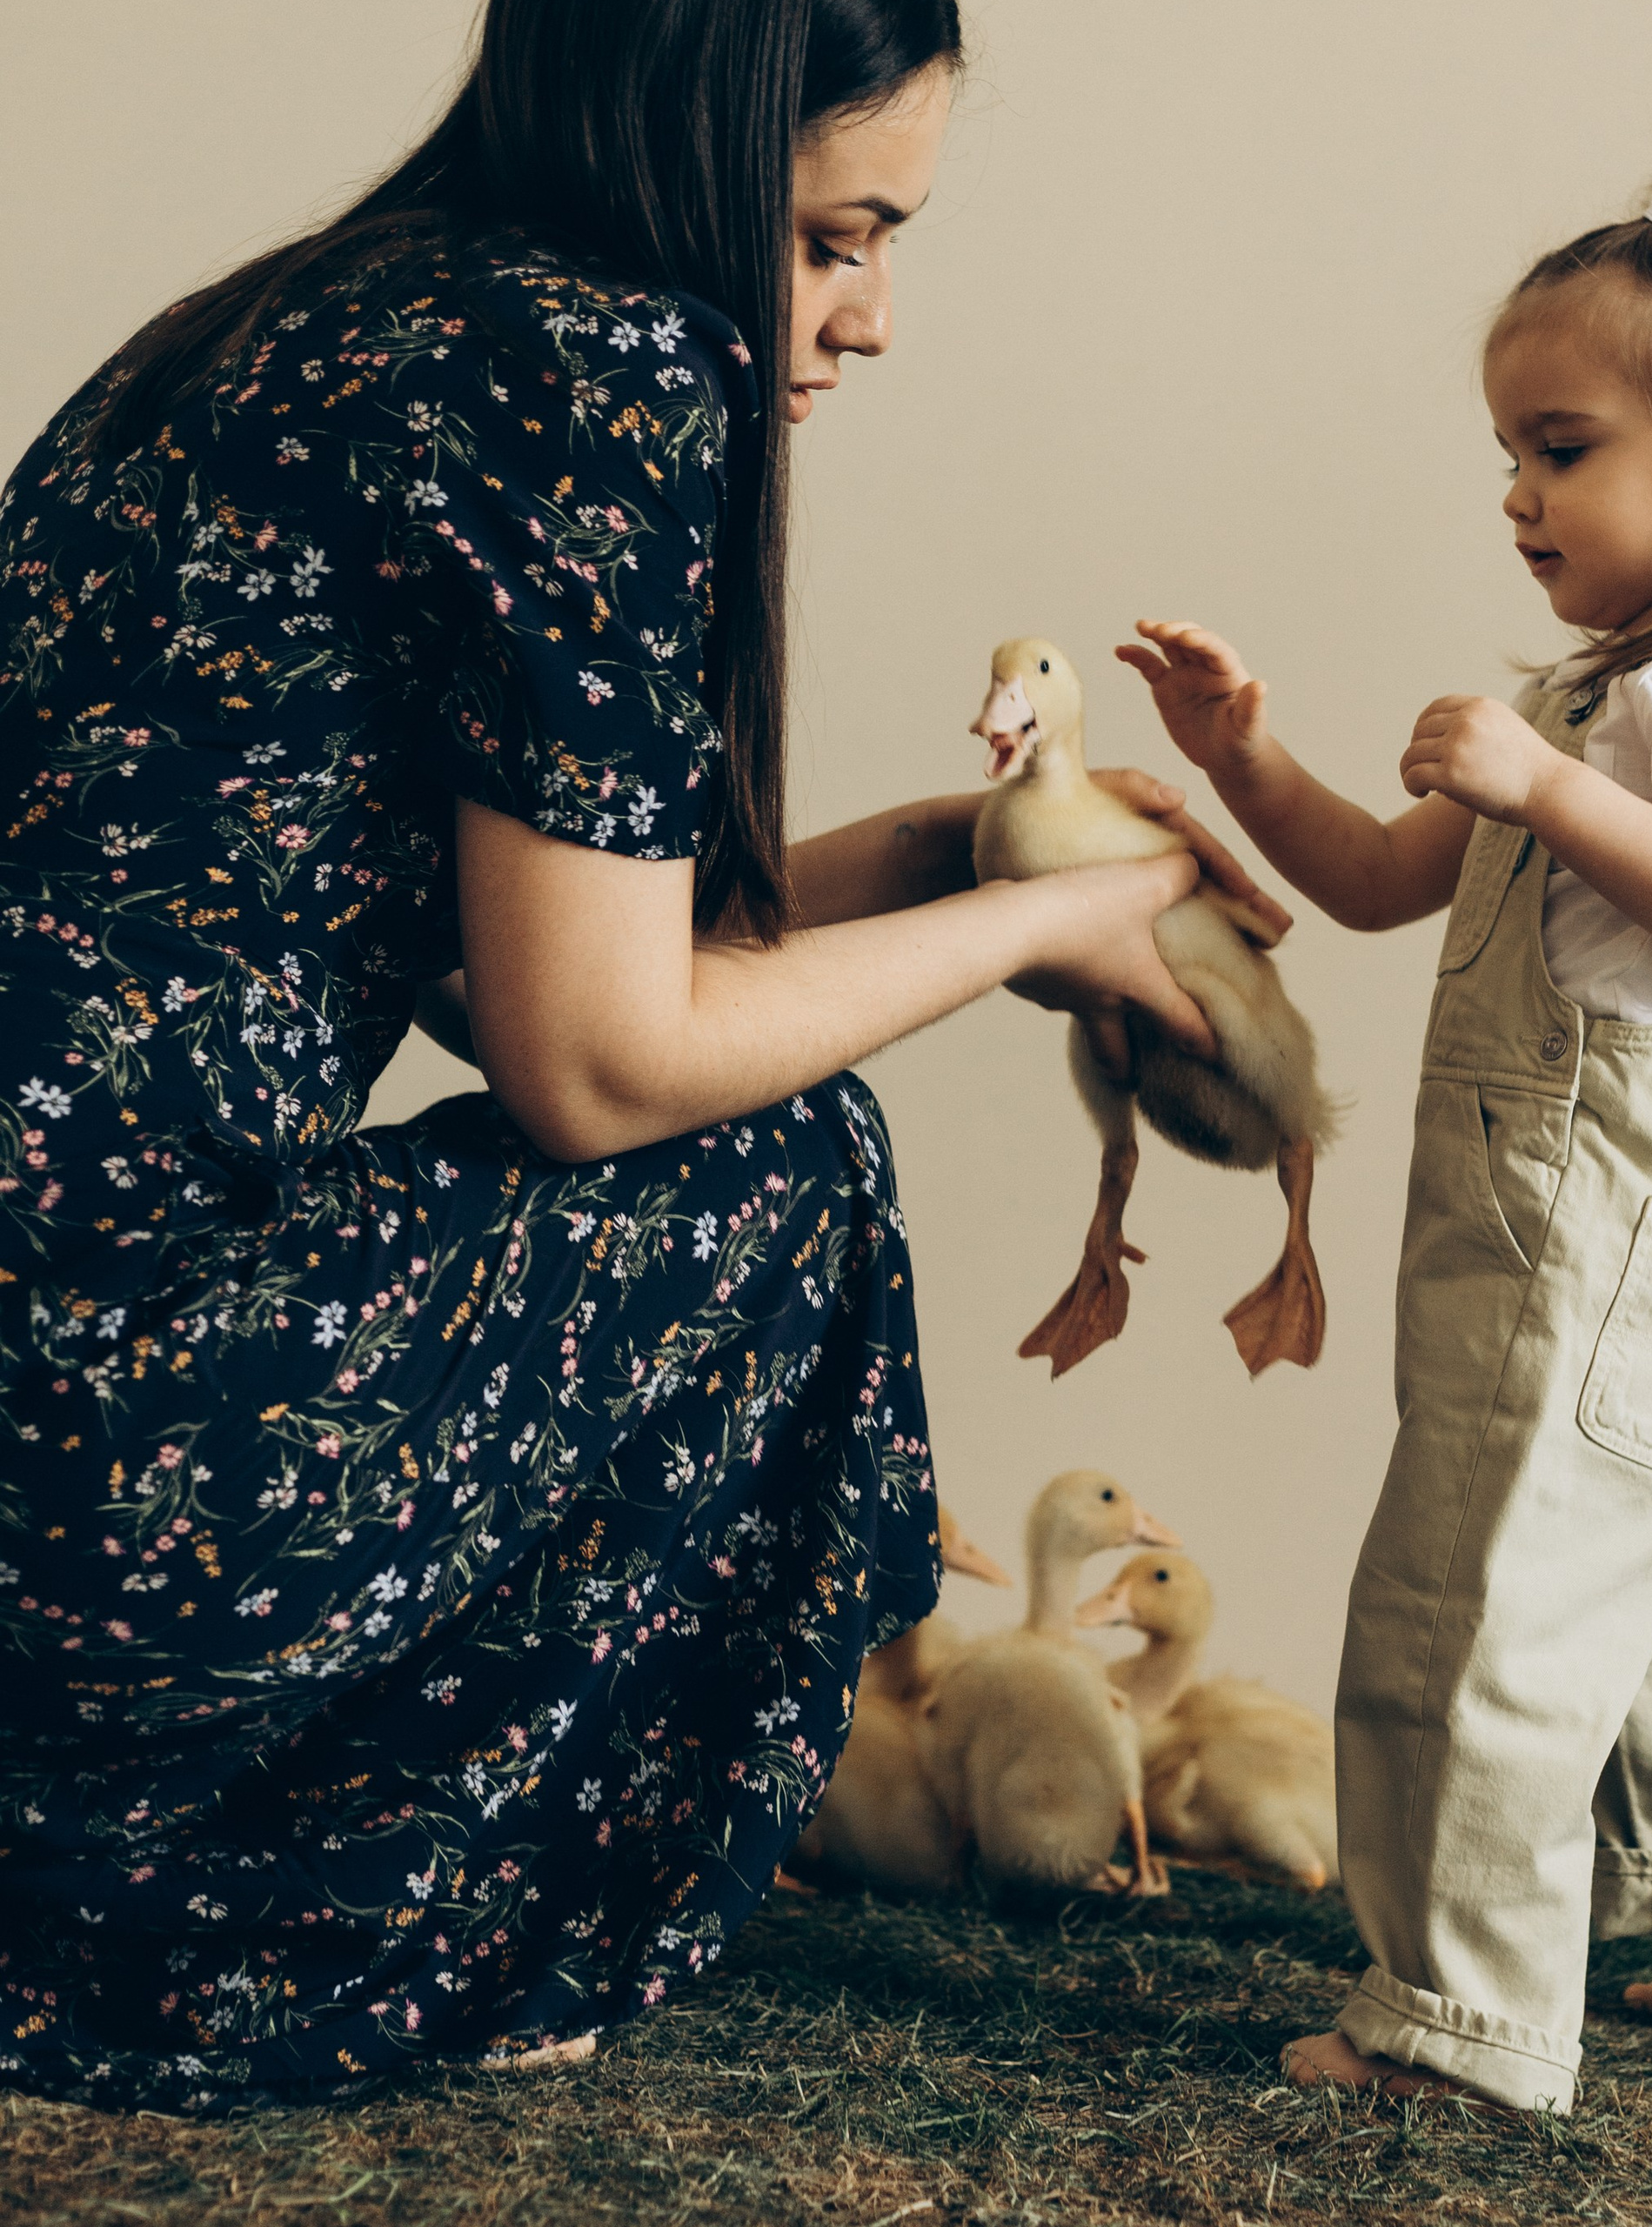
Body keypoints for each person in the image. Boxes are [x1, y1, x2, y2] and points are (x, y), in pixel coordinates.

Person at [0, 0, 1275, 2110]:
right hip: (94, 1468)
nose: (868, 318)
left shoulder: (273, 329)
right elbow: (600, 1062)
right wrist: (1044, 922)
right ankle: (388, 1905)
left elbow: (592, 953)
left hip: (60, 1416)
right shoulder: (585, 360)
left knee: (749, 1113)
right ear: (685, 152)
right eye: (832, 235)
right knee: (789, 1167)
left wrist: (977, 846)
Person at [1120, 148, 1652, 2114]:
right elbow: (1383, 883)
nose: (1515, 495)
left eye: (1558, 446)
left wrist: (1539, 784)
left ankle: (1463, 2020)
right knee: (1584, 1556)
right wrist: (1244, 758)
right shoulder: (1600, 693)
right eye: (1508, 450)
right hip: (1551, 1215)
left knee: (1470, 1598)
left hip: (1620, 1212)